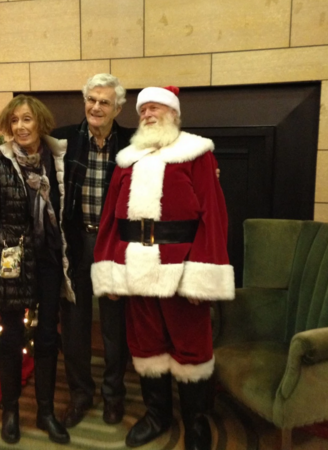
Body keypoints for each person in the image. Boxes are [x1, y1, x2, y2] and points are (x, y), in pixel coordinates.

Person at [0, 74, 132, 428]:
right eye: (91, 99)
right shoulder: (64, 142)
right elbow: (12, 162)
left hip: (114, 244)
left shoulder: (132, 144)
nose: (96, 107)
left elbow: (166, 158)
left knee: (113, 325)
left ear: (118, 108)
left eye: (104, 102)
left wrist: (205, 167)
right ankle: (80, 395)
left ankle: (113, 396)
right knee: (73, 327)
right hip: (72, 243)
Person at [91, 86, 235, 450]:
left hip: (181, 267)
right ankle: (157, 415)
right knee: (145, 345)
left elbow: (213, 215)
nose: (148, 115)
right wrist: (109, 270)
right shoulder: (127, 160)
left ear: (173, 113)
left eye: (155, 108)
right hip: (134, 268)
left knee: (191, 347)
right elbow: (110, 219)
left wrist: (202, 275)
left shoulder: (196, 154)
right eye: (143, 110)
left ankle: (196, 422)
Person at [0, 95, 70, 445]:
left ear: (39, 122)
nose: (20, 127)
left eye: (26, 119)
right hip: (10, 263)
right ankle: (11, 411)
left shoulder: (57, 161)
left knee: (47, 337)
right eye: (14, 121)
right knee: (11, 337)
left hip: (49, 262)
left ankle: (45, 412)